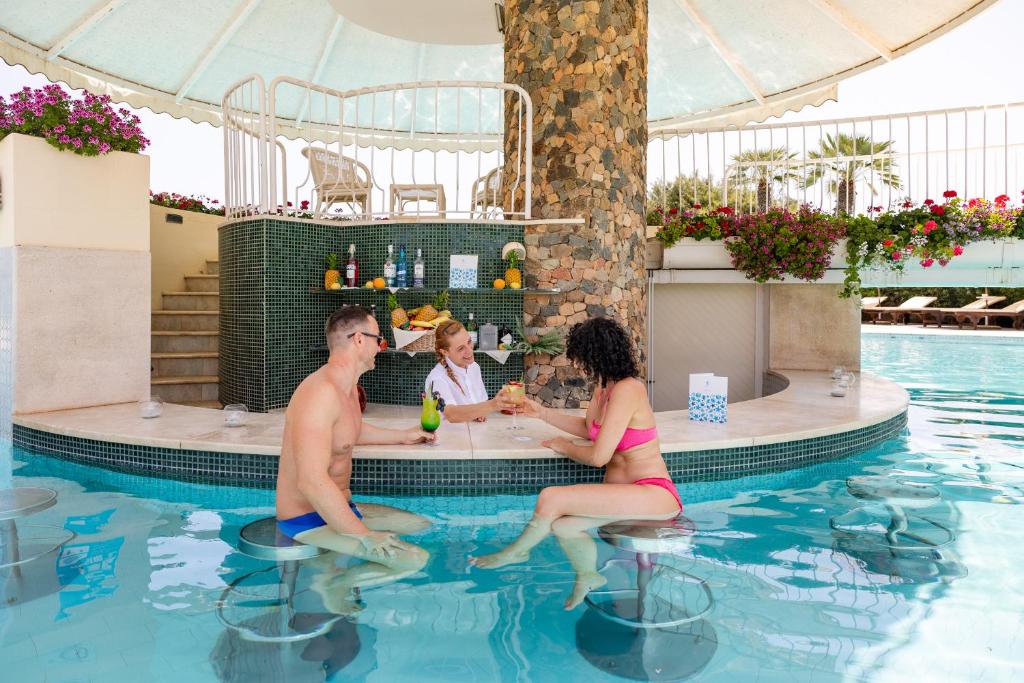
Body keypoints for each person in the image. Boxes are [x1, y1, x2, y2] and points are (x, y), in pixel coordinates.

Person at [469, 317, 682, 609]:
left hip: (653, 493)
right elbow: (589, 429)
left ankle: (516, 552)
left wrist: (564, 446)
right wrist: (541, 413)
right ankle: (588, 575)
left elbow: (598, 457)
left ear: (598, 354)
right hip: (626, 498)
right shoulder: (602, 389)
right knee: (564, 527)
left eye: (581, 357)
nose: (577, 365)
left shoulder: (629, 389)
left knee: (551, 497)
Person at [276, 305, 433, 612]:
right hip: (306, 519)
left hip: (341, 506)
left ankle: (336, 568)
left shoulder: (346, 390)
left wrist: (403, 436)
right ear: (359, 340)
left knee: (418, 524)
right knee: (414, 559)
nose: (381, 347)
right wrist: (364, 535)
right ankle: (332, 585)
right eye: (379, 339)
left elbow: (348, 434)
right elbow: (311, 481)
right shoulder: (321, 393)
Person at [424, 319, 514, 423]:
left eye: (469, 342)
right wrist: (492, 404)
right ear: (445, 352)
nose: (470, 350)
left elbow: (480, 402)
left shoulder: (474, 367)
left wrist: (480, 413)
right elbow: (451, 414)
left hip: (475, 434)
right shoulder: (437, 378)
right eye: (461, 348)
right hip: (448, 437)